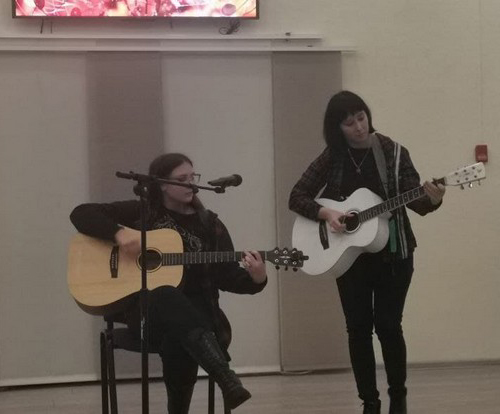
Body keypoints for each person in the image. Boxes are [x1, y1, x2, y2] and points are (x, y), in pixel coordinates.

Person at [70, 153, 267, 413]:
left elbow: (228, 276)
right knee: (165, 294)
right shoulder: (143, 213)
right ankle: (225, 377)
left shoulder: (209, 224)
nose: (191, 184)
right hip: (146, 317)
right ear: (162, 184)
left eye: (193, 177)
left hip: (198, 316)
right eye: (181, 179)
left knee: (179, 335)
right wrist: (118, 234)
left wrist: (257, 277)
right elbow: (81, 213)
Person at [288, 91, 445, 414]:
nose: (359, 127)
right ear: (337, 128)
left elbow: (416, 203)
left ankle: (398, 399)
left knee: (389, 326)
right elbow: (297, 196)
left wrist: (434, 198)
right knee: (358, 329)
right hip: (349, 259)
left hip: (394, 255)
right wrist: (327, 214)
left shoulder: (393, 152)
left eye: (361, 118)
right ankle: (369, 402)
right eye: (349, 123)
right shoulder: (333, 156)